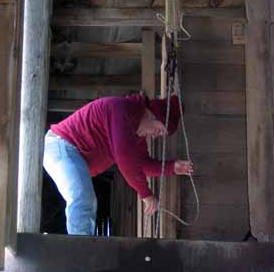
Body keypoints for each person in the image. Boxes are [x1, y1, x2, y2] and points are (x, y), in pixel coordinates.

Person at [43, 93, 193, 235]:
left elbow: (141, 164)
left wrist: (172, 167)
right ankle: (81, 251)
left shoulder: (135, 134)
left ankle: (83, 248)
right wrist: (145, 193)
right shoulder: (122, 110)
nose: (154, 136)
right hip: (62, 146)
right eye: (159, 130)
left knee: (84, 197)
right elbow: (124, 157)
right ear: (151, 114)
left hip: (68, 153)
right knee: (82, 197)